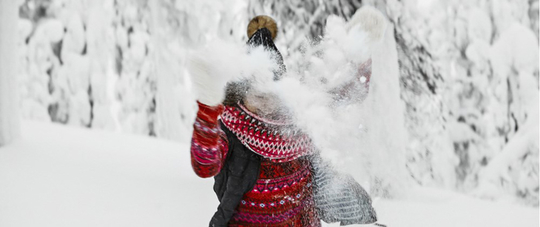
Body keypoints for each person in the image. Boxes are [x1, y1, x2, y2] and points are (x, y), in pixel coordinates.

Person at [189, 8, 385, 227]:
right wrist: (207, 108)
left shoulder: (300, 115)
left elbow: (341, 96)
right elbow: (204, 165)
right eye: (258, 95)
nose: (265, 103)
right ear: (242, 94)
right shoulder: (230, 128)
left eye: (272, 94)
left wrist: (357, 51)